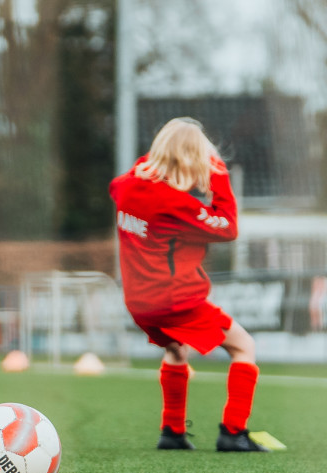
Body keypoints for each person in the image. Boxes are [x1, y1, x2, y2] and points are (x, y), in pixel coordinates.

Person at [110, 117, 267, 453]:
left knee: (177, 350)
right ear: (192, 161)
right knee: (244, 347)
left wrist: (155, 162)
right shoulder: (175, 204)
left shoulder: (125, 187)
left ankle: (172, 432)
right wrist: (220, 177)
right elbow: (227, 228)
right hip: (176, 301)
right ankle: (233, 433)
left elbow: (128, 179)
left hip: (139, 304)